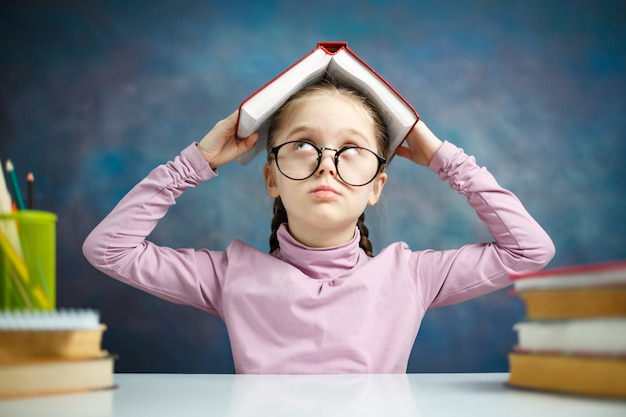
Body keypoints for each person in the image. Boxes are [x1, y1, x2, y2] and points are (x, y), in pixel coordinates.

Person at [83, 78, 555, 374]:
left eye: (351, 150)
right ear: (271, 177)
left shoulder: (409, 277)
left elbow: (530, 250)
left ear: (376, 186)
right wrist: (194, 163)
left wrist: (443, 159)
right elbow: (110, 250)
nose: (327, 165)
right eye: (303, 144)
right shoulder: (230, 276)